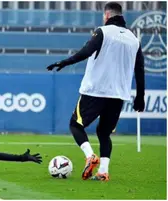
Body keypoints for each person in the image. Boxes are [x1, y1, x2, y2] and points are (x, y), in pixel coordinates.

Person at [46, 2, 145, 181]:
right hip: (118, 94)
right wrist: (140, 96)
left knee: (75, 125)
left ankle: (90, 156)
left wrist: (64, 62)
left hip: (95, 90)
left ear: (107, 15)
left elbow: (86, 51)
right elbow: (140, 69)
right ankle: (103, 172)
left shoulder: (102, 32)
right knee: (104, 133)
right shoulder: (134, 39)